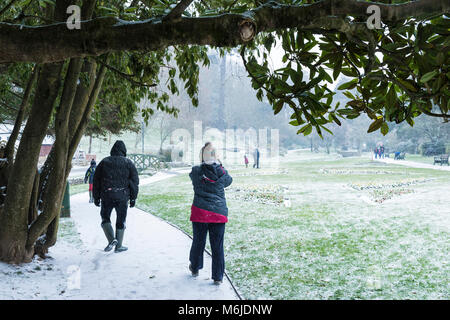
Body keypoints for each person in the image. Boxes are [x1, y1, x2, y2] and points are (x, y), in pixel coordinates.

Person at [189, 142, 233, 285]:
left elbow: (193, 176)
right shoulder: (222, 172)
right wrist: (219, 164)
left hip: (200, 212)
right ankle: (218, 276)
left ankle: (195, 267)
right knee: (217, 246)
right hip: (218, 214)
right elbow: (228, 181)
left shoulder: (196, 171)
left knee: (198, 242)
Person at [93, 140, 139, 253]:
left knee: (105, 217)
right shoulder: (128, 163)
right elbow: (134, 182)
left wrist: (96, 197)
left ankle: (111, 239)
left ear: (112, 150)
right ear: (124, 151)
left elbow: (96, 181)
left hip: (106, 195)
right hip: (122, 196)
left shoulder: (104, 162)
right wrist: (133, 198)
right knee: (121, 220)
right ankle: (119, 246)